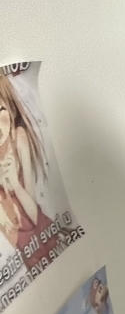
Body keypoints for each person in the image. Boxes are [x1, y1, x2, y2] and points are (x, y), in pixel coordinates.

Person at [0, 72, 62, 275]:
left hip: (43, 229)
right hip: (23, 247)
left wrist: (14, 185)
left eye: (0, 109)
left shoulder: (19, 138)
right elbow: (8, 229)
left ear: (9, 108)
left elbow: (35, 215)